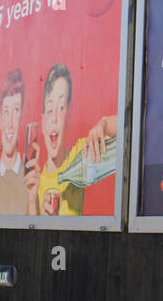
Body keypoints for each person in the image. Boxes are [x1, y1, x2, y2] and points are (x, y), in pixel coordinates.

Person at [25, 63, 116, 216]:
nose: (54, 118)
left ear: (69, 115)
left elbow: (127, 133)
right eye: (49, 110)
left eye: (61, 108)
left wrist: (104, 124)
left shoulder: (81, 154)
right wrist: (33, 205)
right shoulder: (35, 180)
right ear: (42, 122)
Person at [0, 69, 27, 215]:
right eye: (6, 112)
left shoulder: (31, 179)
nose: (10, 123)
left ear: (21, 119)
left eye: (16, 111)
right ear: (0, 119)